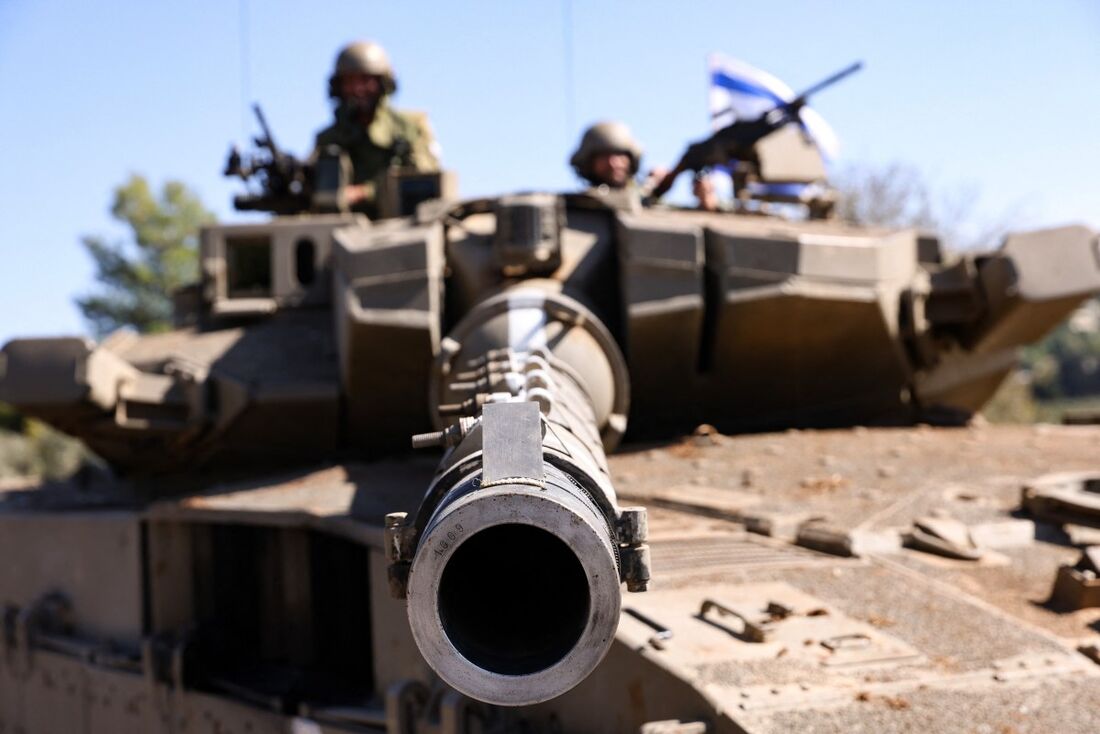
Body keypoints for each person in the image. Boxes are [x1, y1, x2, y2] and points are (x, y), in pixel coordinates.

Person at [312, 41, 439, 217]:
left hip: (404, 224)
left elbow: (426, 179)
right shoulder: (329, 138)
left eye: (365, 80)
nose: (357, 89)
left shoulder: (411, 127)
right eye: (349, 81)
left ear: (383, 83)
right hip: (343, 226)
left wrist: (366, 192)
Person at [569, 121, 644, 191]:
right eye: (604, 157)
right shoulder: (577, 203)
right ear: (589, 163)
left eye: (619, 154)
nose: (613, 163)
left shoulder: (645, 199)